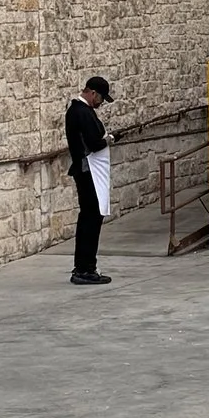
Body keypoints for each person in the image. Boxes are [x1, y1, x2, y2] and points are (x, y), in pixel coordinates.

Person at [64, 76, 114, 284]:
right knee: (91, 218)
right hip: (88, 171)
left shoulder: (76, 111)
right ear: (92, 93)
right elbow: (93, 143)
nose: (101, 103)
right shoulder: (82, 112)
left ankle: (84, 266)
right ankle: (86, 268)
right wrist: (109, 140)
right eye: (101, 98)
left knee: (88, 217)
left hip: (84, 170)